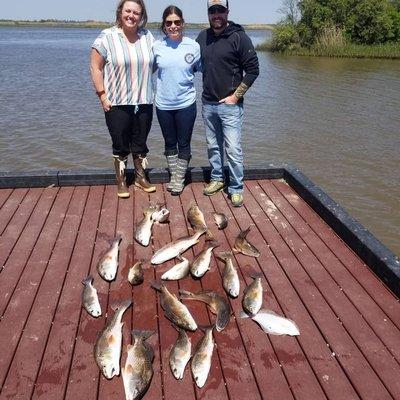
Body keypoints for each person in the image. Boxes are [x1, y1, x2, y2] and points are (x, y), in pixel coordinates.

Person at [197, 0, 259, 207]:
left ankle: (236, 187)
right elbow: (190, 62)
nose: (216, 14)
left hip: (230, 106)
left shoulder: (239, 37)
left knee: (232, 149)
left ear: (227, 12)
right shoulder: (202, 37)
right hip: (208, 104)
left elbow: (253, 71)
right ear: (208, 13)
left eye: (220, 10)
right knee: (213, 147)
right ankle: (216, 179)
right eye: (212, 10)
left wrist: (236, 96)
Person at [90, 0, 156, 198]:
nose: (131, 16)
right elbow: (95, 67)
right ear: (120, 12)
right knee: (120, 144)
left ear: (141, 15)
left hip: (143, 100)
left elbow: (156, 64)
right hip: (116, 101)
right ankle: (121, 180)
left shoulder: (147, 36)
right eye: (128, 11)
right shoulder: (107, 36)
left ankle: (139, 177)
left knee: (140, 142)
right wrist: (102, 95)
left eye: (136, 12)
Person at [153, 6, 201, 195]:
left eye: (177, 22)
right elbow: (146, 70)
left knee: (184, 143)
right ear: (164, 26)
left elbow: (204, 68)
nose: (173, 26)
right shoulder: (157, 46)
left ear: (183, 23)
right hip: (163, 104)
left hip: (186, 104)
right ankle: (174, 175)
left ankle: (179, 179)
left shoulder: (194, 46)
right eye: (169, 23)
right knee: (169, 143)